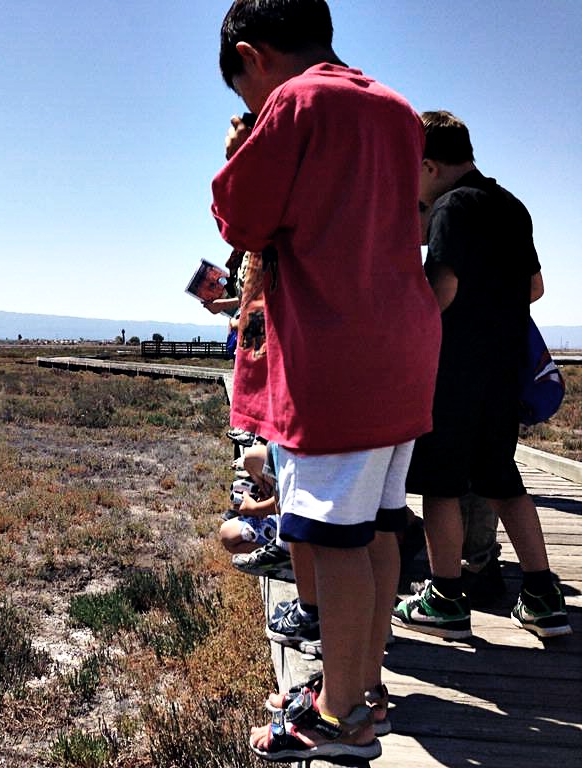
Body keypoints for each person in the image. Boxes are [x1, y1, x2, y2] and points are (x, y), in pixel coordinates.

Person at [211, 1, 441, 761]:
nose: (251, 105)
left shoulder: (299, 101)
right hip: (402, 346)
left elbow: (239, 218)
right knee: (376, 527)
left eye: (244, 89)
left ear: (254, 56)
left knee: (334, 541)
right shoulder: (398, 109)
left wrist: (237, 147)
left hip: (338, 356)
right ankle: (361, 687)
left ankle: (337, 718)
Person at [392, 111, 570, 639]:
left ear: (427, 165)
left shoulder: (450, 208)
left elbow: (440, 292)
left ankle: (445, 598)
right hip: (503, 372)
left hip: (451, 373)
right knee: (503, 480)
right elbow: (534, 288)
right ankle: (542, 595)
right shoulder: (512, 207)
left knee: (441, 487)